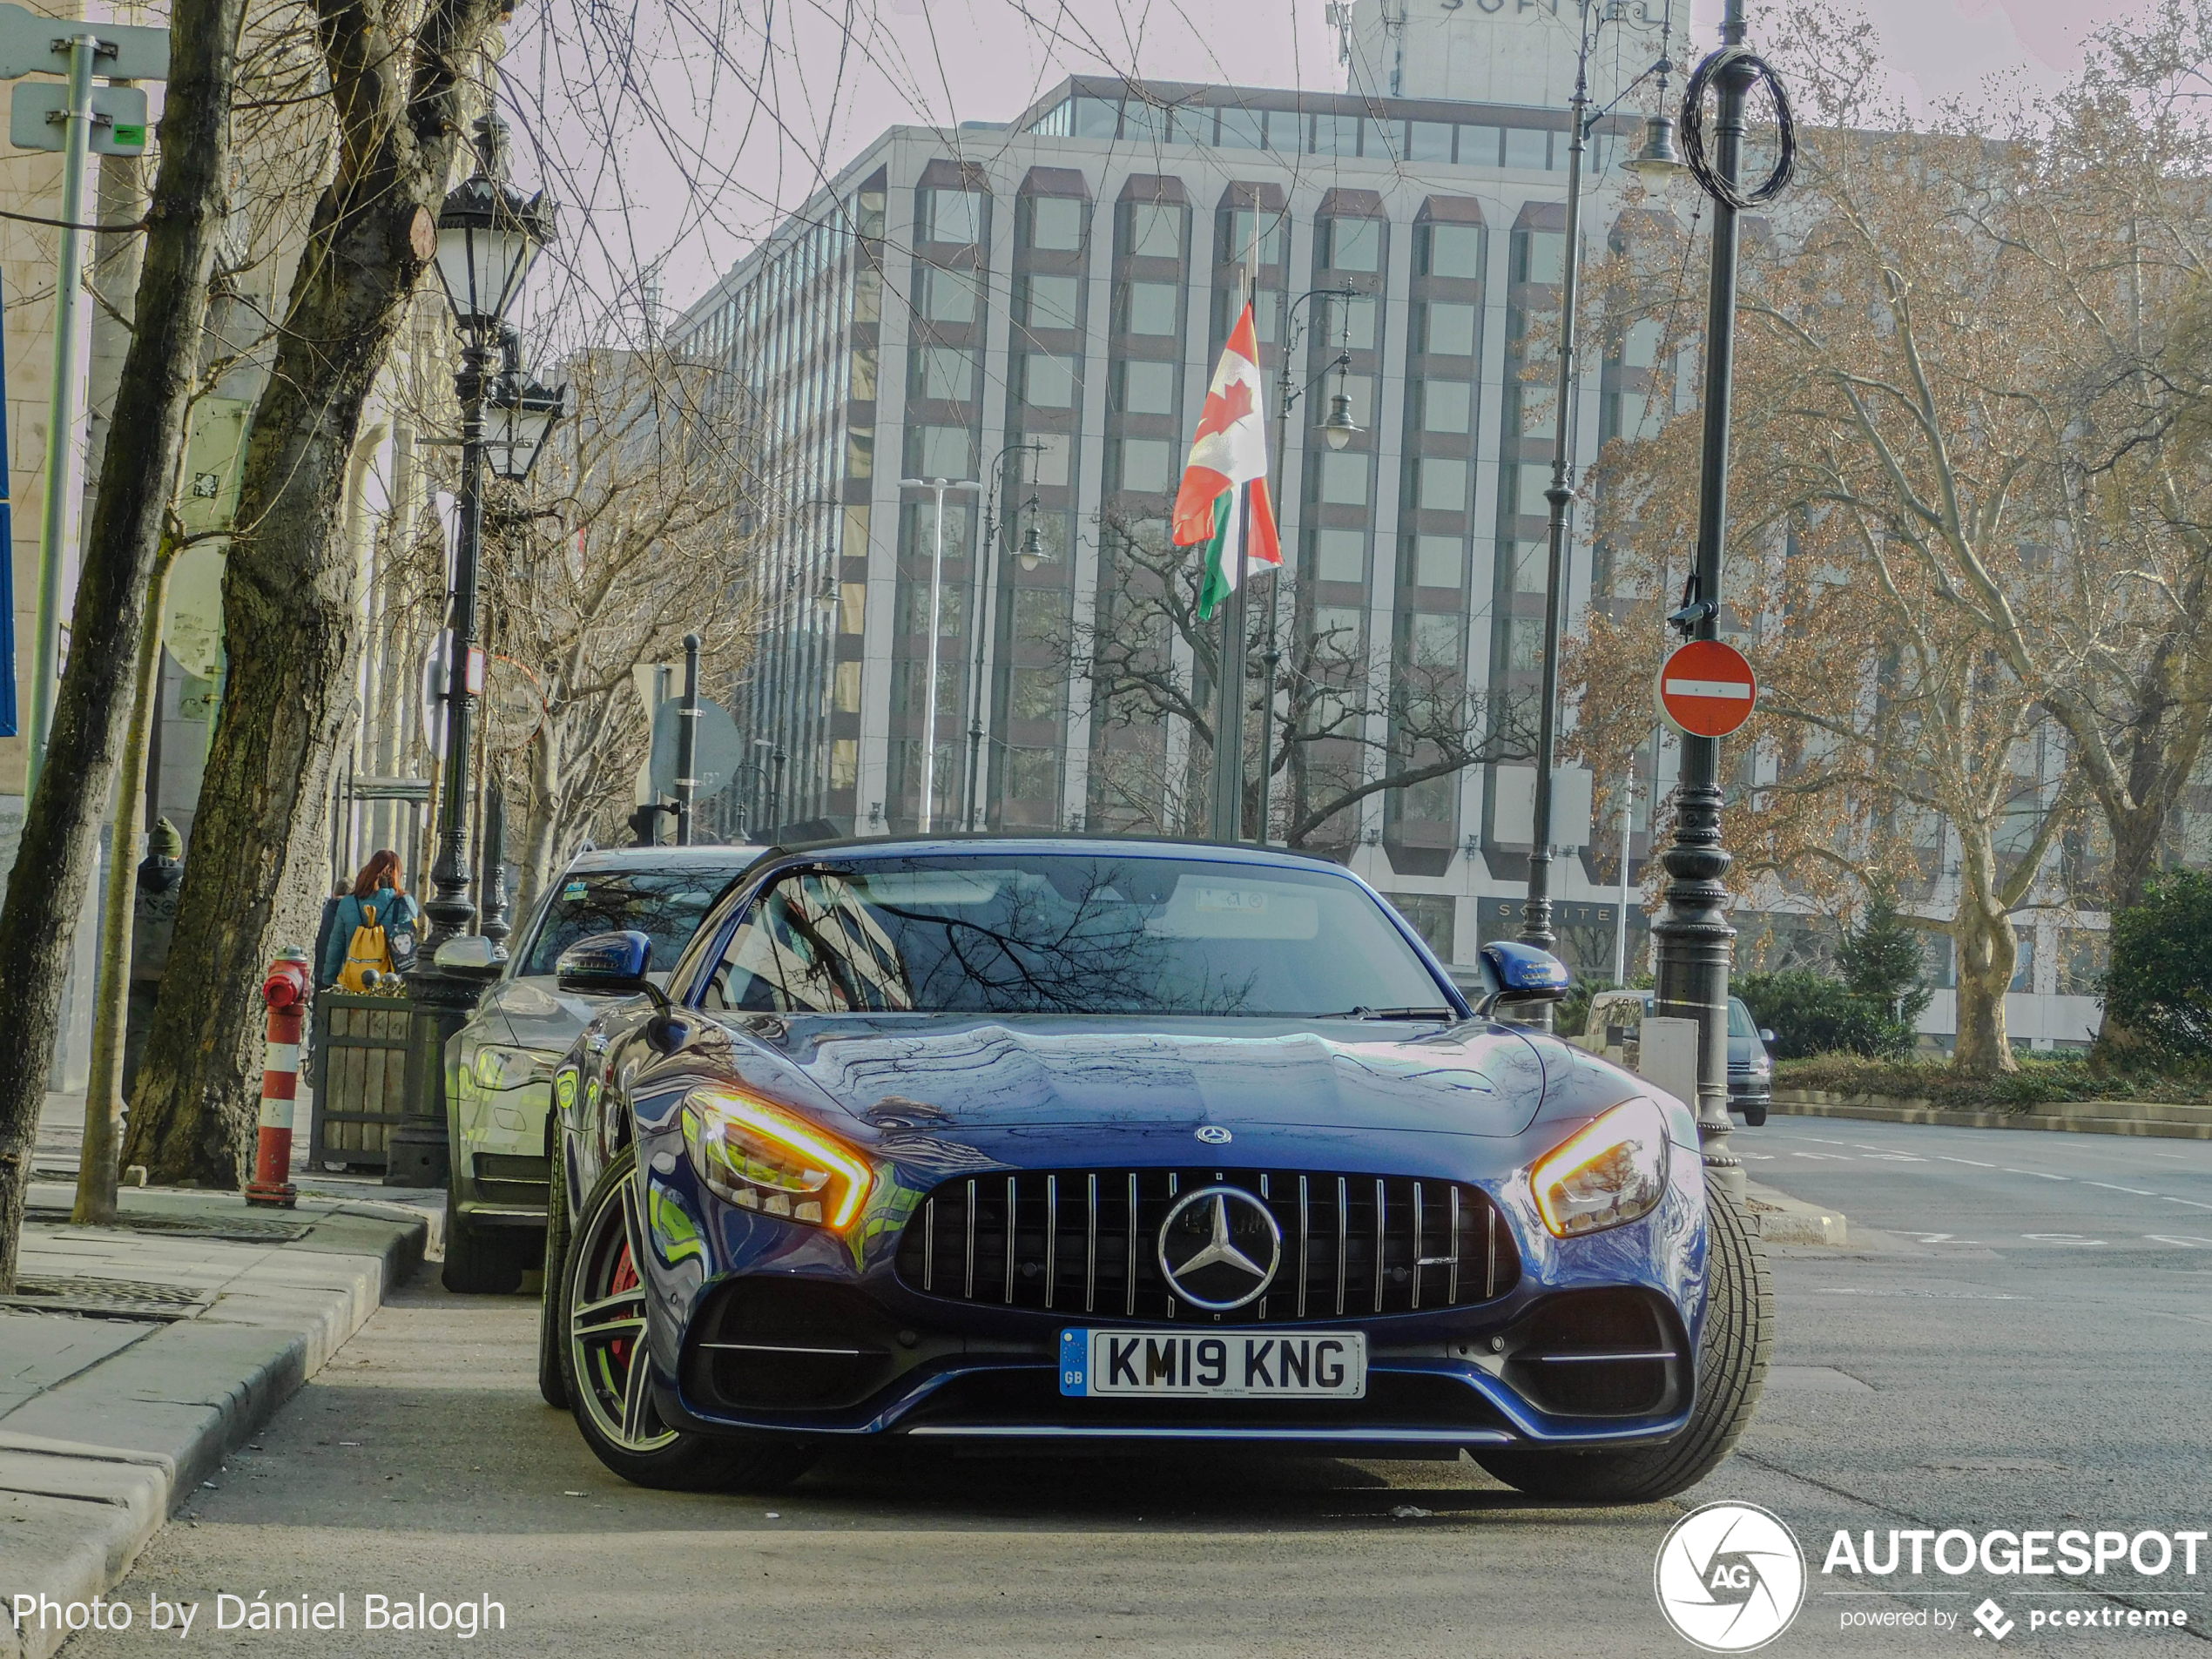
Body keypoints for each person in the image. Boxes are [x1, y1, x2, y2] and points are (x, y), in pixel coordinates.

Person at [121, 817, 185, 1096]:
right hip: (172, 971)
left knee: (137, 1034)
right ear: (176, 853)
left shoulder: (130, 880)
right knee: (175, 1036)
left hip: (135, 970)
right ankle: (164, 1096)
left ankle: (133, 1096)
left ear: (150, 851)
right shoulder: (184, 883)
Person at [320, 850, 421, 992]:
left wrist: (328, 981)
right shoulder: (403, 903)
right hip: (389, 985)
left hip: (352, 982)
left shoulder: (349, 902)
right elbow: (409, 950)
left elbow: (336, 946)